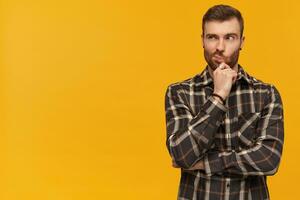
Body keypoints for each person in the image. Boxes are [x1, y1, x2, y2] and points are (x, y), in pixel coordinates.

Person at [164, 4, 284, 200]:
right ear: (202, 40)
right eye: (212, 37)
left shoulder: (266, 94)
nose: (220, 46)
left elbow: (269, 159)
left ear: (241, 42)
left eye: (229, 37)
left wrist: (206, 163)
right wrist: (218, 96)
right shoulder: (179, 92)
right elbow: (182, 155)